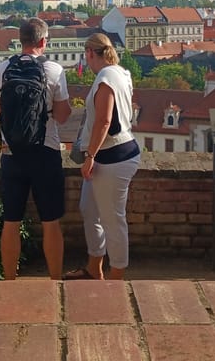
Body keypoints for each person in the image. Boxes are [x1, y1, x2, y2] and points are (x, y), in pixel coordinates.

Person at [0, 18, 71, 280]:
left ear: (20, 40)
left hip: (12, 153)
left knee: (11, 220)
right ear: (43, 41)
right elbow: (62, 115)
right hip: (45, 152)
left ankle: (10, 280)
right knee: (51, 221)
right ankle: (55, 279)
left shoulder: (3, 68)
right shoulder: (54, 70)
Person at [65, 33, 140, 280]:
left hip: (112, 156)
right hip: (112, 153)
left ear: (89, 53)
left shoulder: (106, 78)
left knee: (112, 219)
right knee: (89, 209)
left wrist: (90, 156)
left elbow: (104, 120)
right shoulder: (120, 72)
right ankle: (94, 267)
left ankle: (117, 275)